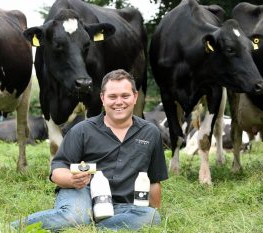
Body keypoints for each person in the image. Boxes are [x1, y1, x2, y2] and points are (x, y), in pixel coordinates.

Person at [11, 69, 168, 231]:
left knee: (151, 217)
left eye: (125, 96)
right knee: (75, 216)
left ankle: (88, 224)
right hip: (82, 193)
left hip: (123, 206)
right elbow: (57, 171)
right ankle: (14, 227)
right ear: (102, 98)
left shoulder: (150, 133)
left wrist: (153, 212)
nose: (119, 102)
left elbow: (154, 180)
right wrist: (72, 180)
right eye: (112, 97)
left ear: (135, 97)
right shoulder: (82, 130)